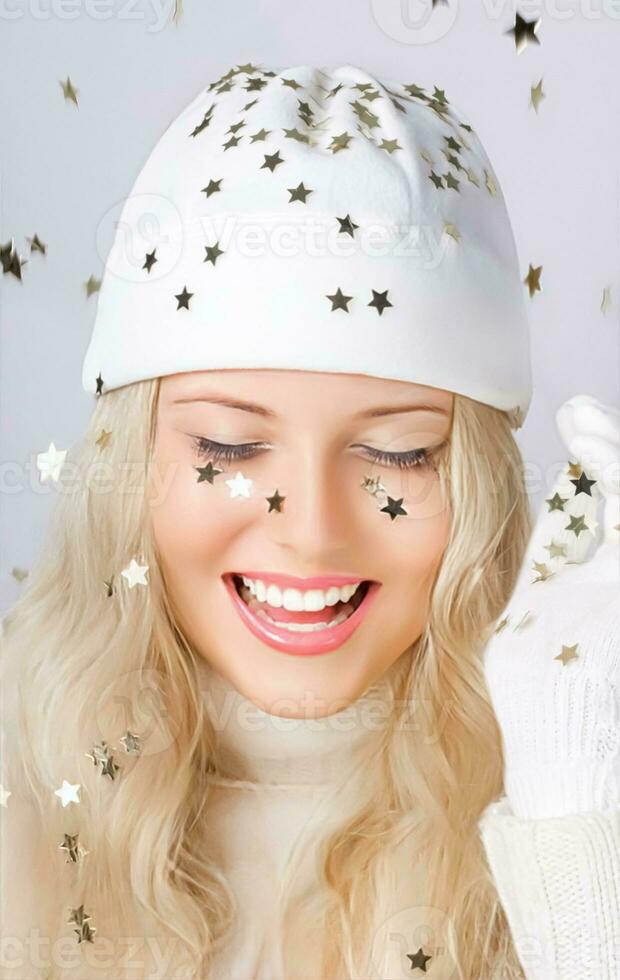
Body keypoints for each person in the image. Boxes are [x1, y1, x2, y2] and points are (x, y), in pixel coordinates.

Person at [0, 61, 618, 980]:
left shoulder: (580, 789)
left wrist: (574, 827)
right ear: (129, 468)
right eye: (229, 447)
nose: (313, 530)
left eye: (401, 454)